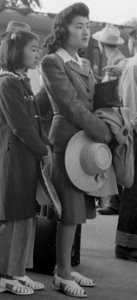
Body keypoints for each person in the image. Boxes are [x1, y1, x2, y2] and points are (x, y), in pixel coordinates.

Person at [41, 3, 112, 298]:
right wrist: (104, 130)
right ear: (63, 29)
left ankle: (65, 267)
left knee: (78, 210)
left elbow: (90, 104)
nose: (86, 31)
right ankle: (62, 274)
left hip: (84, 143)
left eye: (88, 25)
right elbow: (70, 105)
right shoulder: (52, 61)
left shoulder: (83, 63)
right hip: (67, 142)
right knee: (68, 211)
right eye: (79, 25)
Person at [0, 30, 51, 295]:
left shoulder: (21, 81)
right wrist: (43, 149)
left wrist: (44, 142)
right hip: (12, 161)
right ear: (16, 51)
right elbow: (21, 126)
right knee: (11, 216)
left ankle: (18, 271)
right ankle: (2, 275)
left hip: (23, 160)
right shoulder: (9, 83)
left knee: (24, 215)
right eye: (33, 49)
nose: (38, 53)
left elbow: (33, 120)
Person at [92, 24, 126, 215]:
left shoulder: (118, 63)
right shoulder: (117, 59)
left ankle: (114, 201)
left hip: (113, 116)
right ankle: (112, 199)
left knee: (112, 157)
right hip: (114, 115)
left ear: (100, 43)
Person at [115, 27, 137, 261]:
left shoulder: (132, 66)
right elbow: (130, 108)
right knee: (133, 187)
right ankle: (125, 244)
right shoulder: (133, 67)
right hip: (136, 131)